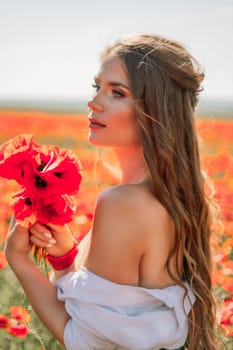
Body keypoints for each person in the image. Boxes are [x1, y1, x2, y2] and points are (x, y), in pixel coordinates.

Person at [5, 33, 218, 350]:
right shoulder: (170, 195)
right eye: (97, 87)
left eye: (117, 93)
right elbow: (113, 324)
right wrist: (64, 259)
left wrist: (18, 258)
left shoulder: (124, 202)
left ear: (156, 111)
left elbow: (88, 342)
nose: (94, 102)